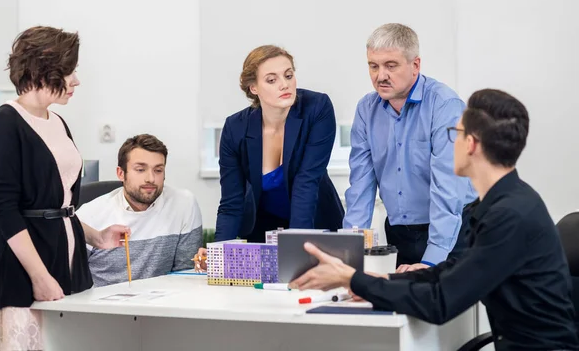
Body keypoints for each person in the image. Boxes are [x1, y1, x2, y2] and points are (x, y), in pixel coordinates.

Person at [291, 89, 579, 350]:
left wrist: (352, 278)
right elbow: (450, 271)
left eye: (454, 132)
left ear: (470, 144)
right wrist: (382, 279)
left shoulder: (510, 216)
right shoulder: (492, 206)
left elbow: (442, 301)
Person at [0, 26, 130, 350]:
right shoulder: (6, 123)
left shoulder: (57, 122)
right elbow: (5, 211)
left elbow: (60, 206)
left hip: (69, 261)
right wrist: (39, 276)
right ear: (42, 69)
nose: (75, 80)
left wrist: (97, 236)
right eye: (68, 70)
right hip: (26, 269)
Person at [194, 45, 344, 270]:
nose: (285, 84)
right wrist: (219, 258)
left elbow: (307, 183)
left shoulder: (317, 108)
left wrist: (297, 255)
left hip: (314, 225)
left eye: (289, 75)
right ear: (253, 87)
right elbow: (231, 202)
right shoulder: (235, 128)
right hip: (262, 232)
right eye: (271, 80)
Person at [343, 23, 476, 272]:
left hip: (452, 228)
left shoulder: (445, 106)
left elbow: (448, 189)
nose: (380, 75)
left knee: (444, 306)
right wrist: (350, 254)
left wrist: (431, 261)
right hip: (399, 233)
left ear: (415, 65)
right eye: (373, 66)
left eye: (390, 65)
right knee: (400, 307)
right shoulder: (366, 110)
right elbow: (360, 188)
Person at [77, 134, 203, 287]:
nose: (150, 178)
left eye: (158, 170)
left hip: (163, 306)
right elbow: (72, 281)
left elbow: (185, 275)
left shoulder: (184, 204)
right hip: (104, 307)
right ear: (121, 173)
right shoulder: (89, 215)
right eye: (140, 169)